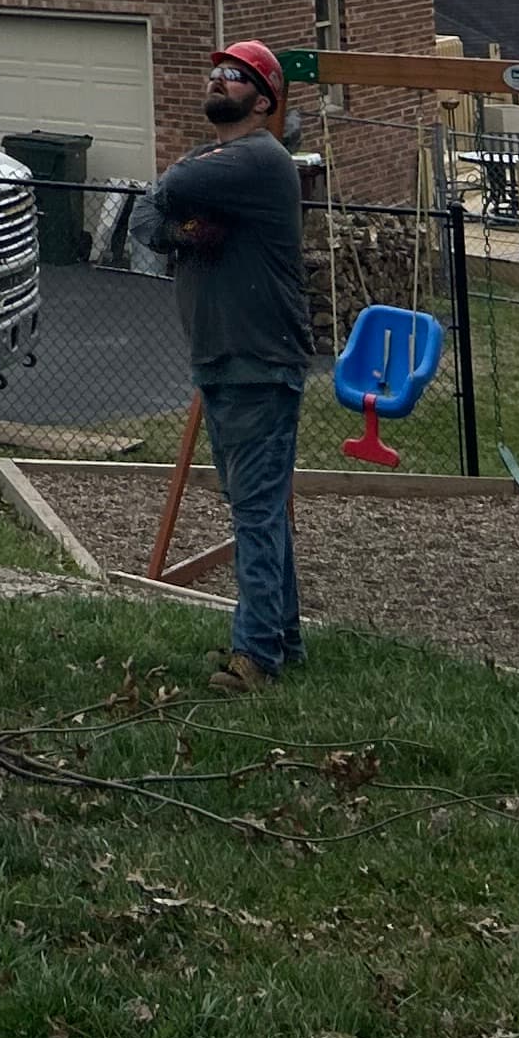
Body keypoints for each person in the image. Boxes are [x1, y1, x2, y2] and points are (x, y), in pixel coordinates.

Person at [147, 40, 312, 690]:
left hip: (257, 361)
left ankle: (255, 660)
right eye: (215, 71)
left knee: (254, 509)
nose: (218, 80)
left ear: (265, 100)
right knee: (260, 505)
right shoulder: (224, 162)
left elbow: (169, 187)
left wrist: (175, 205)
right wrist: (188, 232)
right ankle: (283, 640)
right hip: (222, 360)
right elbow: (146, 219)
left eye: (235, 77)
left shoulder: (261, 161)